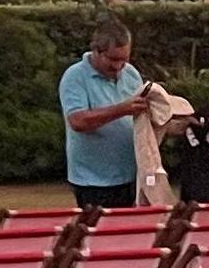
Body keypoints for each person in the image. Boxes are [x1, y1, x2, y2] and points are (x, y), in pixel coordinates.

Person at [58, 16, 147, 223]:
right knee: (98, 238)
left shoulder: (131, 74)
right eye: (113, 59)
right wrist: (122, 109)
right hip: (92, 180)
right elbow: (78, 121)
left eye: (124, 59)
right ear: (96, 51)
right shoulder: (75, 77)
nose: (118, 66)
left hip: (130, 175)